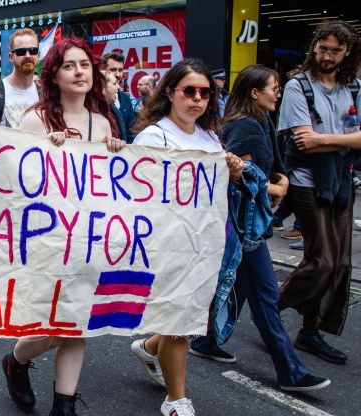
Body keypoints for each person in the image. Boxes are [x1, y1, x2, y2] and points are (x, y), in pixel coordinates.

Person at [0, 37, 124, 416]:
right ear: (53, 74)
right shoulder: (35, 120)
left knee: (80, 321)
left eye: (85, 65)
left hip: (90, 239)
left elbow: (110, 183)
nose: (79, 72)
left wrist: (116, 153)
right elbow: (15, 179)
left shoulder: (102, 121)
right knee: (53, 327)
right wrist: (43, 152)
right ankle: (16, 361)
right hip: (48, 240)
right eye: (69, 65)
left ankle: (64, 404)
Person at [188, 64, 330, 393]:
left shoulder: (261, 121)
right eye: (273, 87)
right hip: (242, 225)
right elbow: (230, 175)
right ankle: (290, 371)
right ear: (254, 93)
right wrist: (275, 189)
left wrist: (279, 178)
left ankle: (207, 341)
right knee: (266, 296)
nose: (278, 92)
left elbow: (264, 166)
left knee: (237, 288)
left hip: (248, 222)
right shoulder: (245, 126)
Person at [130, 58, 244, 416]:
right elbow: (137, 189)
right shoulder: (154, 136)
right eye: (189, 91)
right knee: (181, 318)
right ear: (170, 92)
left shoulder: (210, 136)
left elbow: (217, 187)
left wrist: (234, 171)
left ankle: (150, 347)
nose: (197, 99)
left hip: (206, 241)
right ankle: (176, 400)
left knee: (189, 312)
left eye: (205, 93)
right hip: (168, 242)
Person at [277, 20, 361, 365]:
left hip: (341, 182)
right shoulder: (299, 86)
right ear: (314, 47)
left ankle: (310, 331)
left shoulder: (354, 87)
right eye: (323, 48)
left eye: (335, 50)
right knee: (322, 259)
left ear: (347, 52)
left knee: (340, 264)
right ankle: (273, 308)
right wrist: (344, 141)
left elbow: (316, 139)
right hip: (307, 182)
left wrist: (324, 138)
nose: (327, 55)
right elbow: (302, 142)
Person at [0, 28, 40, 128]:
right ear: (11, 57)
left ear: (38, 55)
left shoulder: (44, 94)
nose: (28, 55)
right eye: (21, 52)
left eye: (33, 50)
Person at [102, 52, 136, 140]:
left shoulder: (126, 98)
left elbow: (131, 131)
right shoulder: (91, 101)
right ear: (103, 70)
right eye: (113, 69)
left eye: (120, 70)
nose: (118, 75)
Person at [103, 71, 128, 141]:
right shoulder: (91, 114)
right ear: (103, 88)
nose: (118, 87)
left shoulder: (113, 111)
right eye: (114, 84)